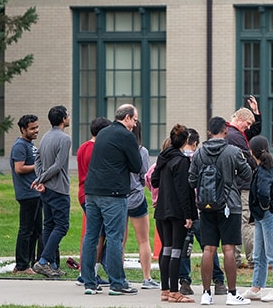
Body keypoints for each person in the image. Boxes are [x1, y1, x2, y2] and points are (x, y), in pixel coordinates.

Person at [80, 104, 144, 295]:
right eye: (134, 119)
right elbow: (136, 165)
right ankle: (117, 283)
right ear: (126, 118)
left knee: (91, 237)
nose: (135, 124)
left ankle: (89, 283)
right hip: (113, 194)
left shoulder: (103, 133)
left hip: (92, 192)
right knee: (115, 237)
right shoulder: (126, 136)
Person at [188, 116, 252, 306]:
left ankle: (206, 294)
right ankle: (232, 294)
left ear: (209, 131)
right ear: (225, 130)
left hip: (206, 206)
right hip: (230, 205)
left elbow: (191, 180)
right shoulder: (233, 151)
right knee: (229, 248)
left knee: (209, 248)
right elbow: (247, 174)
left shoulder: (199, 154)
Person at [153, 124, 198, 303]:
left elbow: (154, 180)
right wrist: (188, 215)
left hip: (162, 209)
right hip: (177, 211)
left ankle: (165, 289)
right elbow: (183, 190)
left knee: (167, 250)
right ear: (186, 141)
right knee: (176, 251)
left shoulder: (163, 158)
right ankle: (174, 291)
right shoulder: (181, 161)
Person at [244, 136, 273, 303]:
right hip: (264, 216)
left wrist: (263, 207)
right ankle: (256, 287)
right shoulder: (270, 166)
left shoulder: (264, 170)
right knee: (259, 253)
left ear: (253, 151)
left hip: (267, 215)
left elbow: (263, 192)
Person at [31, 104, 72, 278]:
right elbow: (58, 165)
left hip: (46, 190)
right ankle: (42, 262)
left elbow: (38, 159)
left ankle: (53, 265)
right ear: (63, 119)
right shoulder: (65, 139)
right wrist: (42, 178)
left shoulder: (45, 136)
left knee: (49, 225)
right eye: (67, 115)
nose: (69, 117)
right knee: (62, 226)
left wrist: (40, 177)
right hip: (59, 189)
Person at [76, 116, 112, 286]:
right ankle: (90, 272)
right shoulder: (97, 149)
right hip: (94, 192)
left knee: (93, 233)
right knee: (99, 235)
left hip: (82, 191)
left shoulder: (83, 147)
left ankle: (87, 271)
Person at [227, 97, 261, 269]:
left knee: (239, 220)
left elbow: (254, 132)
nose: (248, 128)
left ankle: (237, 258)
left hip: (236, 185)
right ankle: (252, 259)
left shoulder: (232, 133)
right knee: (245, 221)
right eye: (246, 124)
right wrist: (257, 165)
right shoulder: (235, 136)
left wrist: (255, 113)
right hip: (242, 185)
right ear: (239, 119)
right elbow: (247, 159)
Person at [124, 120, 158, 289]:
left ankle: (119, 276)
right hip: (136, 196)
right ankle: (146, 278)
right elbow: (144, 175)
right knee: (143, 240)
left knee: (119, 241)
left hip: (120, 196)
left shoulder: (118, 149)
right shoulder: (141, 151)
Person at [11, 114, 43, 275]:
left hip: (36, 193)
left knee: (36, 230)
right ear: (23, 129)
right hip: (27, 194)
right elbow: (19, 168)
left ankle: (28, 263)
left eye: (37, 127)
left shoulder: (30, 145)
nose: (36, 131)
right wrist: (38, 166)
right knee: (26, 230)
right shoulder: (20, 146)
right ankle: (22, 265)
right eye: (32, 128)